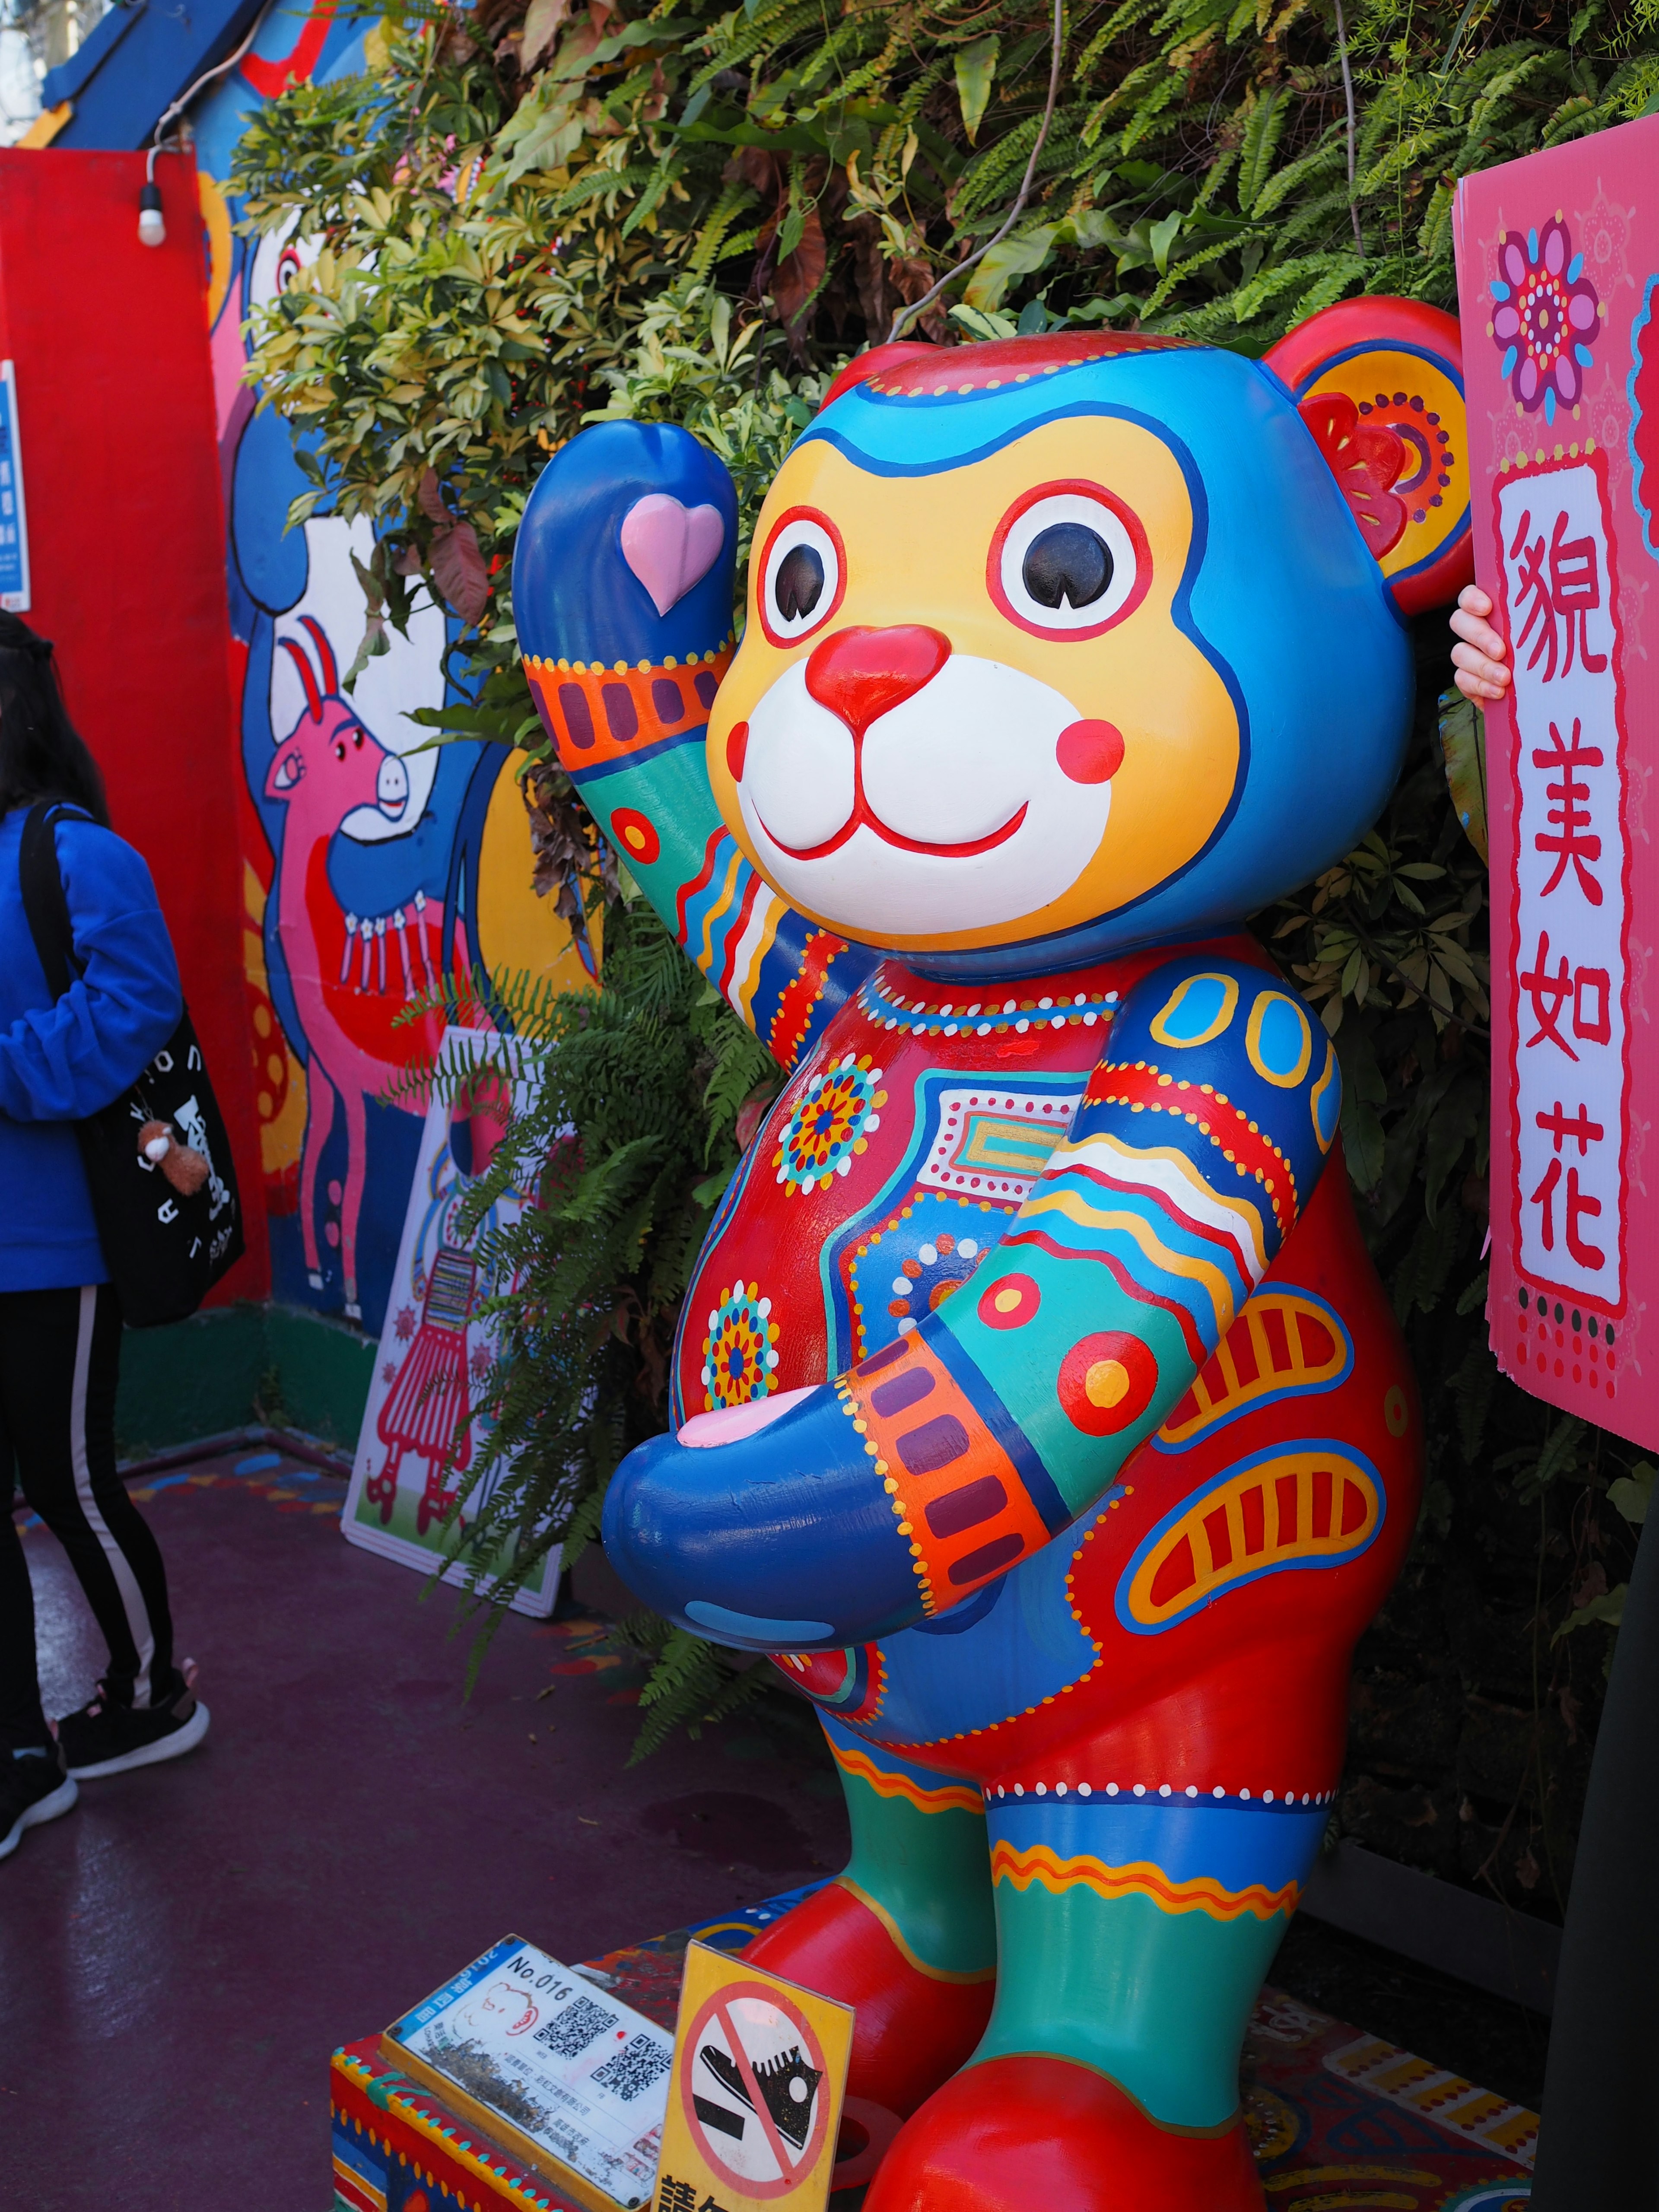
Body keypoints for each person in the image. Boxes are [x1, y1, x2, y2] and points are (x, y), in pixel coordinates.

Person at [0, 613, 207, 1865]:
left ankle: (151, 1695)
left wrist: (9, 1070)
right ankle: (31, 1741)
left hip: (58, 1244)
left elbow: (136, 1007)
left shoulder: (76, 855)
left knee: (70, 1484)